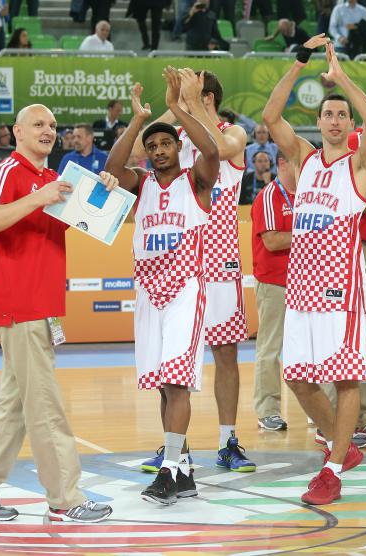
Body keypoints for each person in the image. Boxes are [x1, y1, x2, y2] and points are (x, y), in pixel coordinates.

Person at [0, 103, 114, 523]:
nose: (49, 130)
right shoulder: (11, 172)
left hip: (40, 308)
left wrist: (106, 188)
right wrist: (36, 198)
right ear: (18, 131)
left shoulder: (52, 180)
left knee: (15, 405)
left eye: (53, 126)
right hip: (19, 305)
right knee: (45, 407)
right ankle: (64, 499)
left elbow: (93, 222)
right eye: (39, 124)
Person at [262, 36, 366, 505]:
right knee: (296, 375)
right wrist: (300, 62)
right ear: (317, 122)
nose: (335, 121)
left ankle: (332, 469)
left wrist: (340, 76)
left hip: (342, 287)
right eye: (328, 115)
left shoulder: (359, 165)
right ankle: (342, 445)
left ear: (348, 125)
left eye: (341, 116)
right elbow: (271, 117)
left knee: (346, 377)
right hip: (301, 288)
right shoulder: (304, 160)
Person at [105, 68, 220, 504]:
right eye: (151, 146)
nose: (157, 151)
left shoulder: (196, 180)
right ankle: (182, 467)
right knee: (161, 383)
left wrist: (177, 110)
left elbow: (211, 148)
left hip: (185, 290)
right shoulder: (142, 185)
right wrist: (137, 120)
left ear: (178, 146)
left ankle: (170, 470)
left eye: (164, 143)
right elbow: (113, 168)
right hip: (149, 294)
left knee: (176, 381)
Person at [132, 69, 255, 476]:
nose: (182, 99)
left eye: (191, 93)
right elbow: (136, 155)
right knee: (169, 359)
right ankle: (175, 447)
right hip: (177, 265)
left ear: (208, 97)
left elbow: (218, 150)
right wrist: (169, 109)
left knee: (225, 353)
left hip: (219, 260)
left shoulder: (230, 132)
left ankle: (227, 441)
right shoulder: (174, 139)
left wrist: (193, 108)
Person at [251, 151, 295, 431]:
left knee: (308, 349)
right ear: (282, 163)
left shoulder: (307, 194)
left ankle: (317, 410)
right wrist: (313, 233)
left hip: (303, 281)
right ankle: (267, 409)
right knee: (270, 349)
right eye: (298, 162)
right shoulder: (270, 195)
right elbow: (273, 240)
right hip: (274, 282)